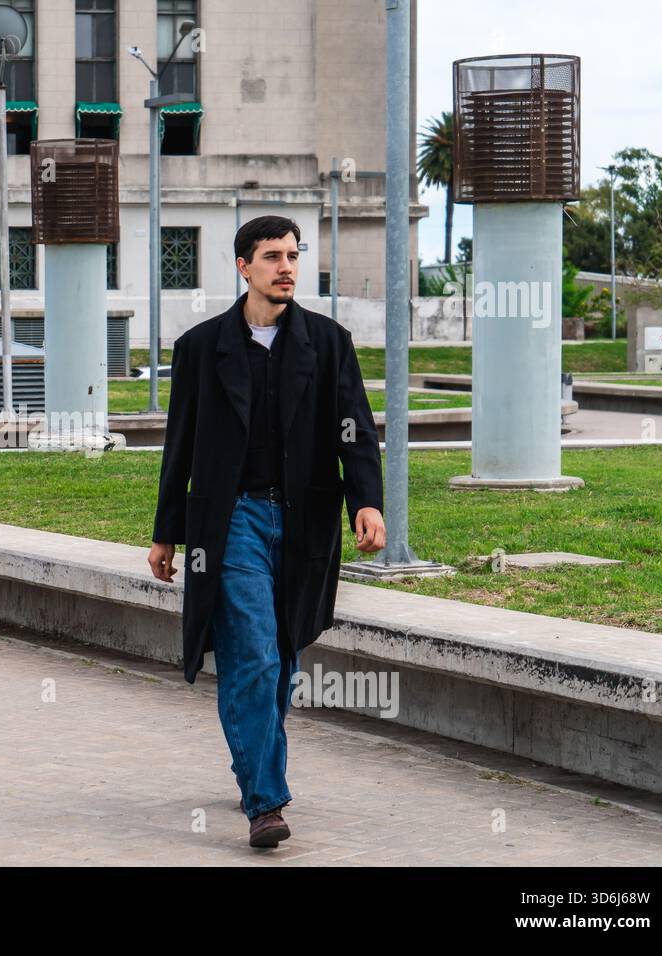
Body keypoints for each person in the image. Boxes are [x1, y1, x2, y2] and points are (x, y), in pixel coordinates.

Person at [147, 214, 386, 849]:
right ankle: (266, 803)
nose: (286, 266)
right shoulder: (202, 349)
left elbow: (355, 429)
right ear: (242, 266)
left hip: (305, 522)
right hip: (231, 523)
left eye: (293, 254)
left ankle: (252, 765)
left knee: (279, 659)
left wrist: (367, 502)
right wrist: (167, 531)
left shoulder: (328, 343)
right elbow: (182, 445)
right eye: (272, 256)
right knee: (250, 652)